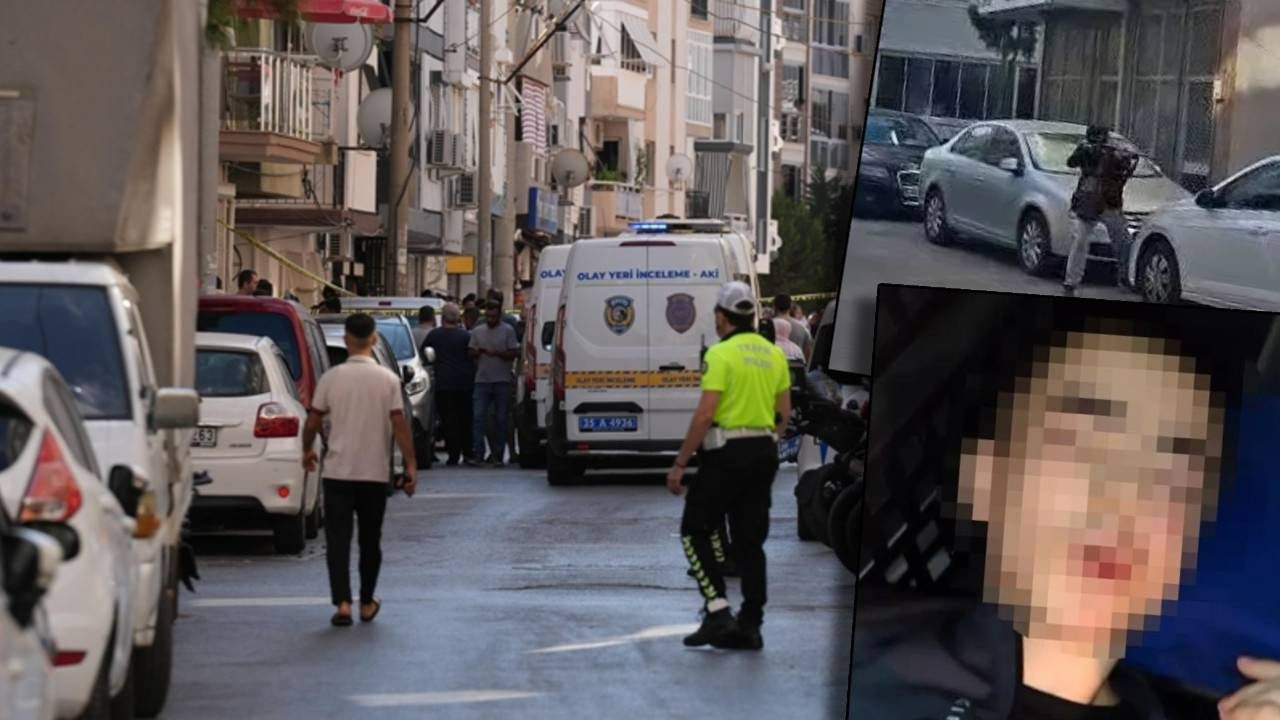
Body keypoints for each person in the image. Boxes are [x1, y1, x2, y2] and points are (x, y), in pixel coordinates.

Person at [848, 310, 1280, 720]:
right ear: (986, 479)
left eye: (1173, 474)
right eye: (1084, 444)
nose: (1128, 498)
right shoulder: (864, 669)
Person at [667, 281, 791, 651]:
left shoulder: (720, 355)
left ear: (722, 317)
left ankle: (718, 609)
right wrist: (768, 438)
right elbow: (784, 413)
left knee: (693, 529)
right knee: (751, 542)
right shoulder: (773, 354)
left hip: (726, 455)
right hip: (763, 454)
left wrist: (680, 463)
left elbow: (705, 414)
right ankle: (751, 624)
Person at [302, 313, 417, 628]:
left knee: (337, 542)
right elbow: (399, 424)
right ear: (375, 339)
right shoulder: (388, 381)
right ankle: (366, 602)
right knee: (370, 540)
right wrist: (410, 464)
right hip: (374, 473)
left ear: (347, 340)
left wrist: (306, 451)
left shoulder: (331, 378)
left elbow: (312, 420)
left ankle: (342, 604)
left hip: (337, 472)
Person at [1063, 124, 1139, 296]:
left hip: (1109, 203)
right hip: (1088, 202)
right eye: (1096, 137)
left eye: (1101, 137)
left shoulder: (1112, 150)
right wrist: (1087, 150)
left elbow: (1123, 170)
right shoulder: (1086, 149)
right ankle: (1071, 281)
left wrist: (1123, 157)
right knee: (1080, 241)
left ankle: (1125, 276)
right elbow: (1071, 162)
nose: (1099, 140)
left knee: (1122, 240)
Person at [467, 300, 519, 467]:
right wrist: (476, 352)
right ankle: (479, 454)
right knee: (478, 417)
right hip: (482, 380)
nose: (490, 319)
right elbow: (470, 352)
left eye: (494, 316)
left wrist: (497, 353)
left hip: (502, 380)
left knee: (501, 419)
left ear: (499, 315)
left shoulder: (508, 331)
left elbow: (513, 353)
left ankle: (497, 455)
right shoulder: (477, 331)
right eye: (488, 316)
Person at [424, 303, 475, 466]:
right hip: (465, 383)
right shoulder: (466, 336)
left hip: (443, 383)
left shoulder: (434, 335)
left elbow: (425, 354)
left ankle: (453, 454)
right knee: (465, 419)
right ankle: (468, 452)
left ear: (443, 317)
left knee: (448, 420)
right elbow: (473, 356)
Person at [773, 293, 813, 361]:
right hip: (796, 369)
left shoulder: (766, 326)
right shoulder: (802, 327)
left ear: (774, 307)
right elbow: (808, 354)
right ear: (790, 307)